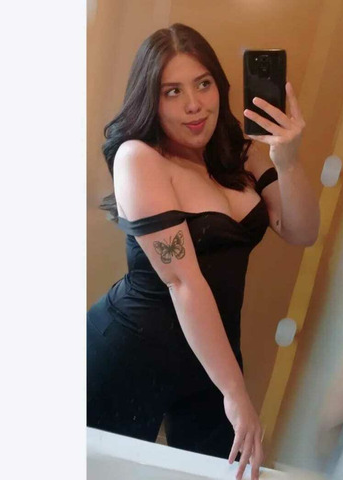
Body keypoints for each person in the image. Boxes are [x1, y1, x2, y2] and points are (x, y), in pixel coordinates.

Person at [87, 23, 319, 480]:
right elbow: (183, 281)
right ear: (150, 99)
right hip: (129, 352)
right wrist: (236, 394)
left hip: (211, 358)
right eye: (172, 91)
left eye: (203, 84)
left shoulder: (240, 153)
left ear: (220, 86)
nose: (194, 104)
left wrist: (288, 160)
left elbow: (301, 231)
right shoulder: (140, 158)